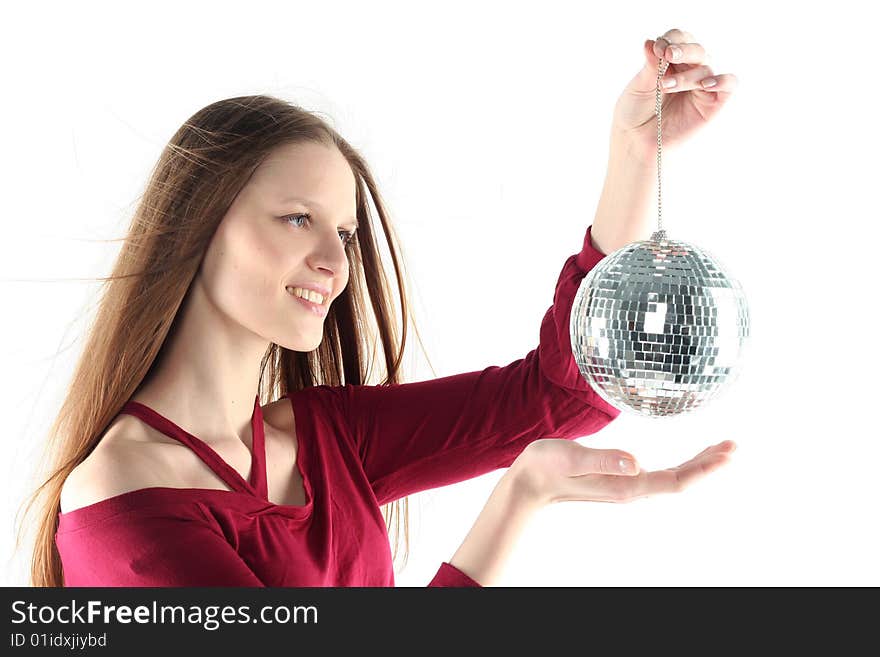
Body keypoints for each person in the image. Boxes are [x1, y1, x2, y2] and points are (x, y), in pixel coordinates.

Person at [20, 29, 738, 587]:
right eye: (297, 219)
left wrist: (636, 153)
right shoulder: (123, 498)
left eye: (346, 234)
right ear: (198, 224)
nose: (335, 264)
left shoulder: (330, 439)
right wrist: (517, 499)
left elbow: (559, 393)